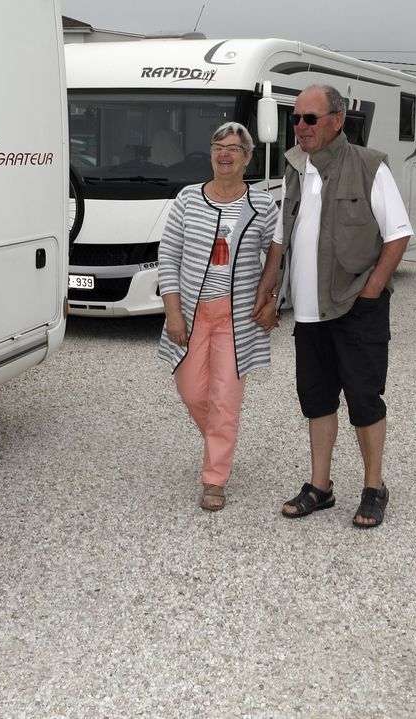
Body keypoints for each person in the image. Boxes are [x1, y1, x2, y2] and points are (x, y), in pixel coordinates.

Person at [253, 84, 414, 529]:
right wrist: (269, 286)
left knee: (364, 399)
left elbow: (398, 234)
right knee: (317, 400)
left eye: (310, 118)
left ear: (337, 120)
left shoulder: (368, 166)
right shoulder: (293, 168)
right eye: (296, 118)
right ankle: (320, 488)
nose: (300, 126)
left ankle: (373, 487)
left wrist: (372, 290)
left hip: (355, 307)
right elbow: (282, 236)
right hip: (307, 312)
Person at [158, 122, 279, 511]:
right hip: (192, 317)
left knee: (225, 398)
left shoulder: (263, 205)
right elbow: (168, 257)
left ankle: (215, 477)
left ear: (248, 158)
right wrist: (173, 313)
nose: (223, 154)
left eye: (233, 148)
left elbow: (278, 255)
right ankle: (220, 442)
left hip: (236, 319)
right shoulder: (188, 199)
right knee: (192, 390)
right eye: (217, 147)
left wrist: (272, 298)